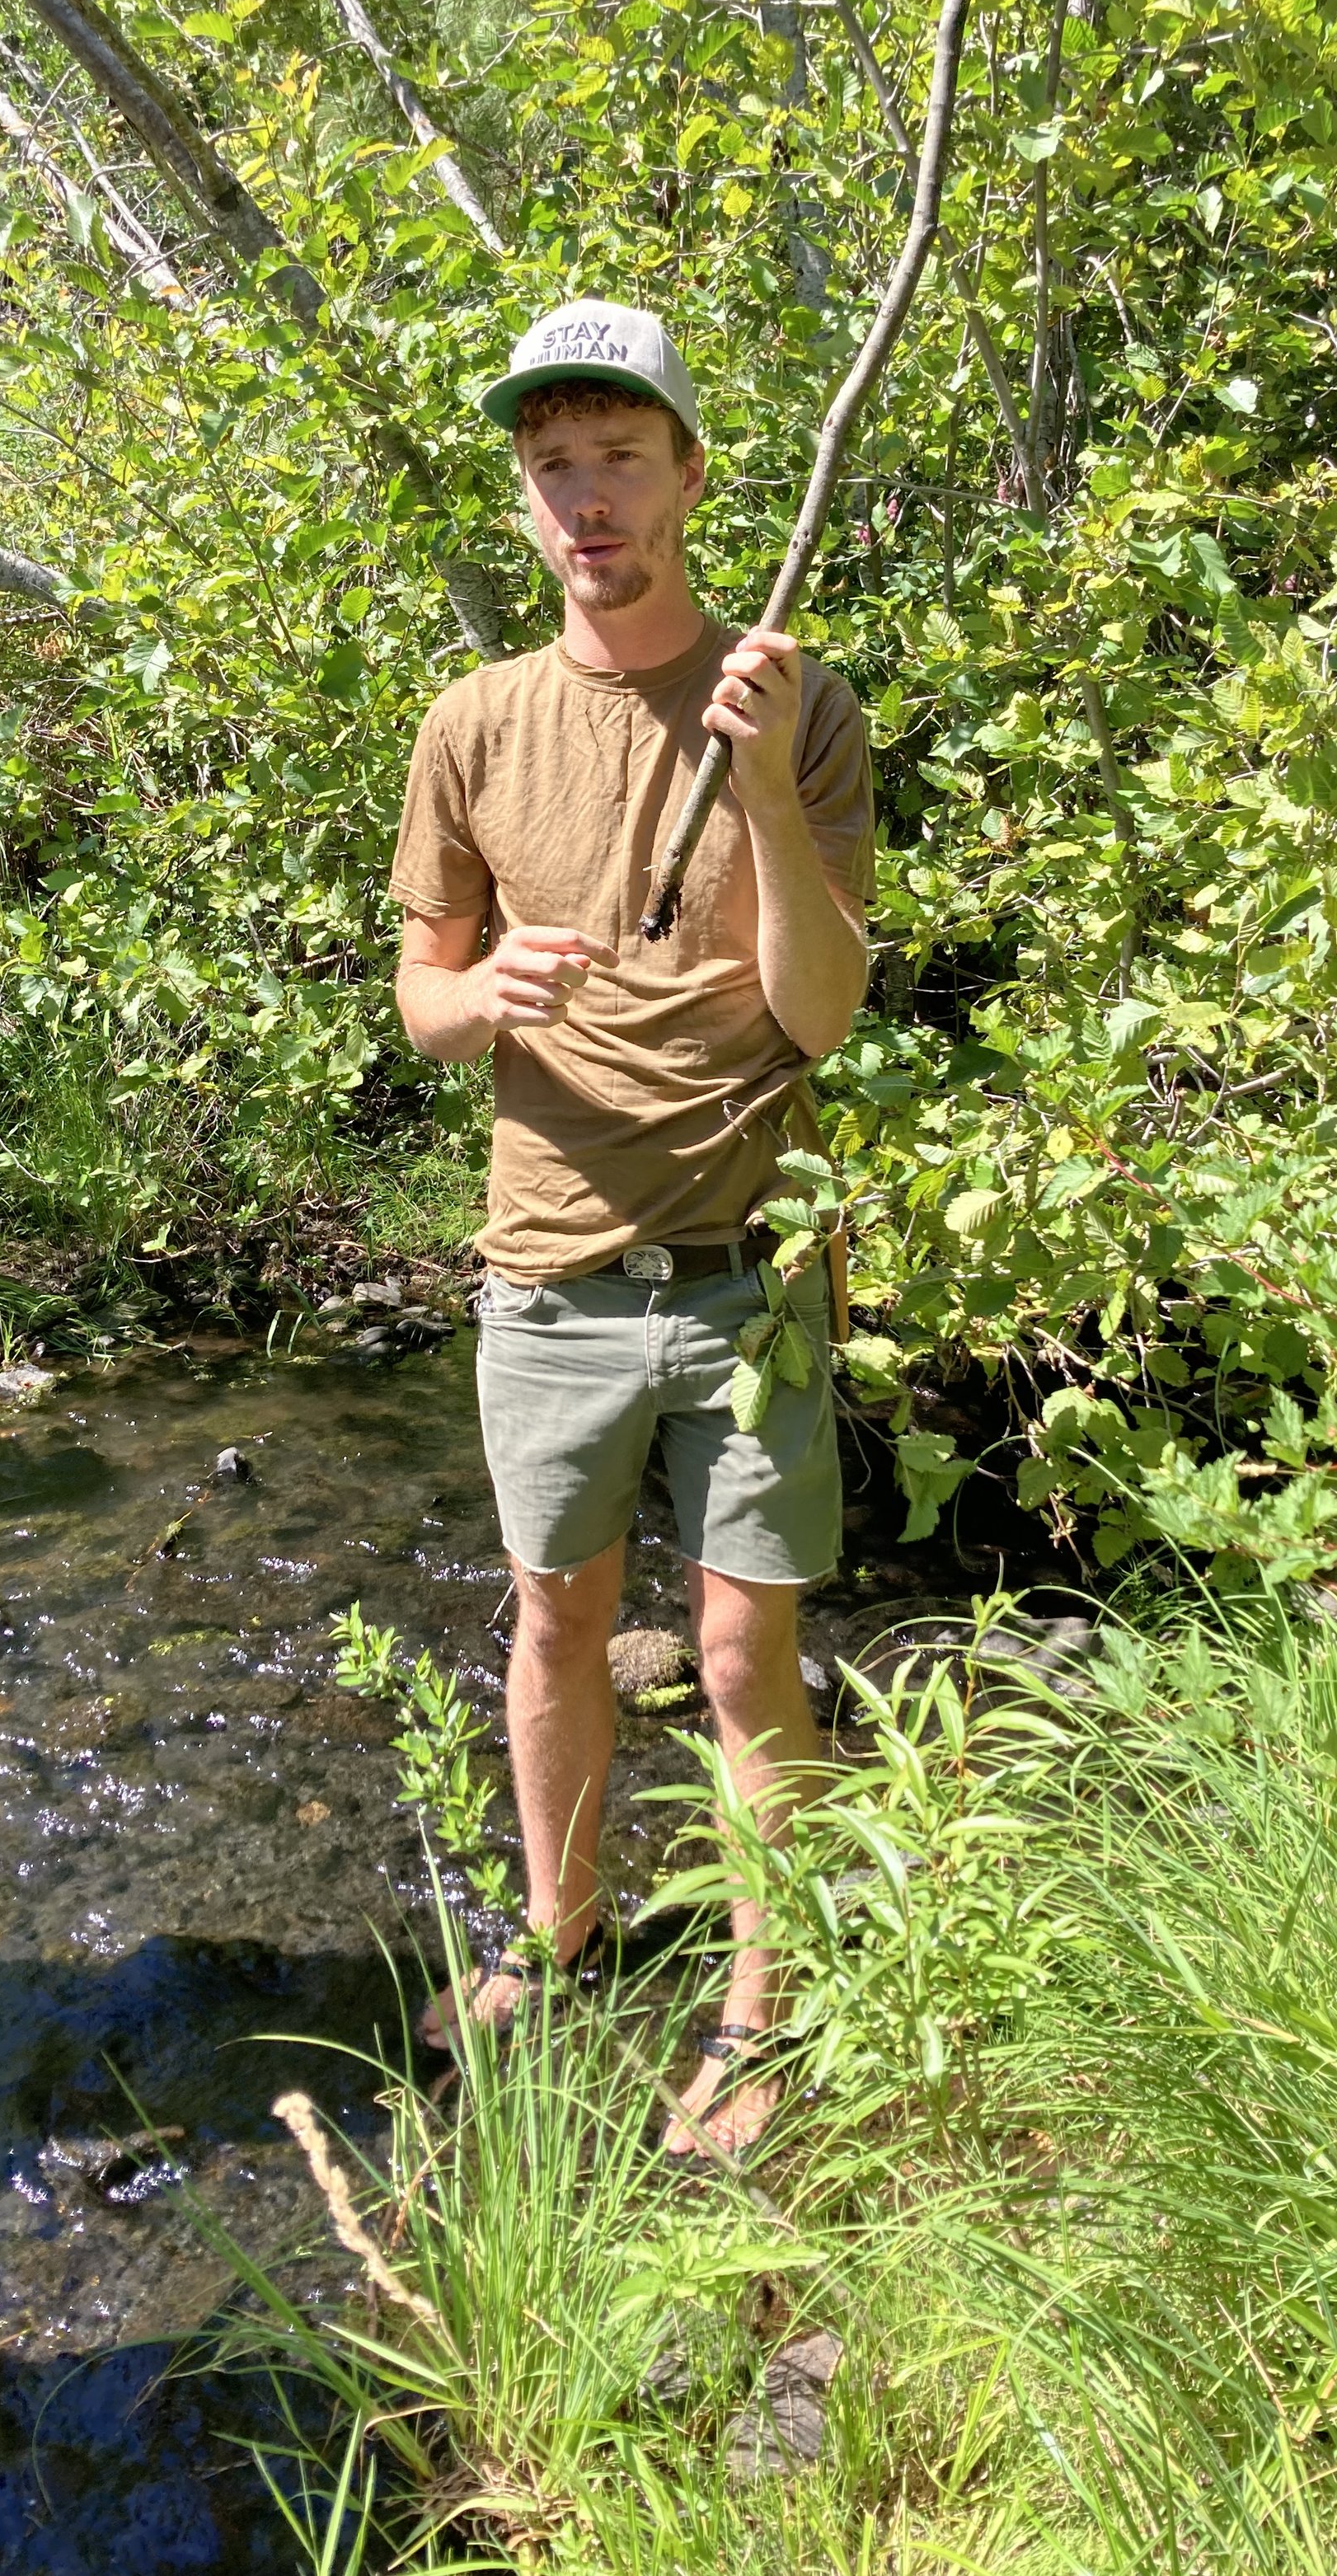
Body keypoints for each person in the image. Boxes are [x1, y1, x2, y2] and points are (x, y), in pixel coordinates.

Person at [389, 298, 873, 2156]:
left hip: (748, 1276)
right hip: (545, 1268)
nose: (582, 498)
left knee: (747, 1652)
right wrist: (486, 986)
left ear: (682, 473)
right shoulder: (475, 720)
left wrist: (754, 782)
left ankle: (760, 2005)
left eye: (613, 457)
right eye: (547, 470)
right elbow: (420, 1000)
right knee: (553, 1616)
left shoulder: (796, 700)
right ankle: (562, 1928)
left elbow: (820, 1008)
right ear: (524, 509)